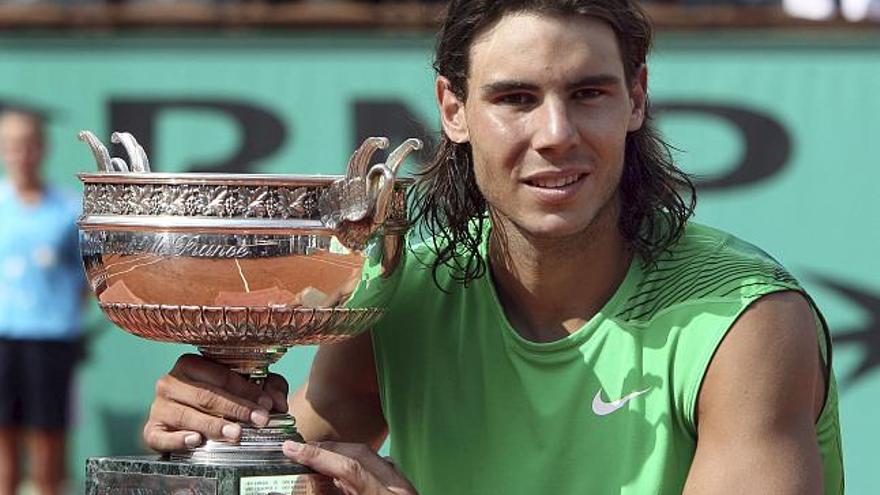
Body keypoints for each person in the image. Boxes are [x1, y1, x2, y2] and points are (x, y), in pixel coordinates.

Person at [143, 1, 844, 493]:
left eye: (589, 92)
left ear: (636, 98)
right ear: (454, 110)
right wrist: (214, 436)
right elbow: (292, 469)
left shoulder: (746, 323)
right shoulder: (403, 290)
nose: (557, 133)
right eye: (515, 98)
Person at [0, 108, 85, 495]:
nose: (22, 155)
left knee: (48, 446)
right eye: (12, 146)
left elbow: (86, 278)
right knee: (4, 449)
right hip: (3, 342)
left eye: (29, 145)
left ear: (43, 148)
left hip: (51, 344)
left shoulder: (67, 209)